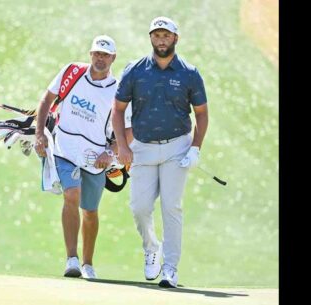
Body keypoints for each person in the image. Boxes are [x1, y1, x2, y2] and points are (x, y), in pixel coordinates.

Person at [111, 16, 209, 288]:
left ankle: (170, 269)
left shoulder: (189, 73)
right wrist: (122, 145)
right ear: (151, 38)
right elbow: (117, 110)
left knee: (171, 207)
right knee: (139, 208)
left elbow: (201, 114)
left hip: (177, 146)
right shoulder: (135, 70)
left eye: (166, 35)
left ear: (175, 39)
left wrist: (195, 148)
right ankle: (152, 247)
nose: (161, 39)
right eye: (157, 35)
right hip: (142, 148)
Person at [34, 35, 132, 279]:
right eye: (97, 53)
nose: (101, 58)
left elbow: (129, 130)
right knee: (71, 194)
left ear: (113, 58)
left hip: (96, 159)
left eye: (106, 55)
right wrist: (40, 134)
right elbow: (47, 99)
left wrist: (110, 153)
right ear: (91, 54)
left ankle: (88, 263)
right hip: (65, 148)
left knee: (90, 211)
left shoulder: (118, 91)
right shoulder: (72, 71)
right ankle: (72, 259)